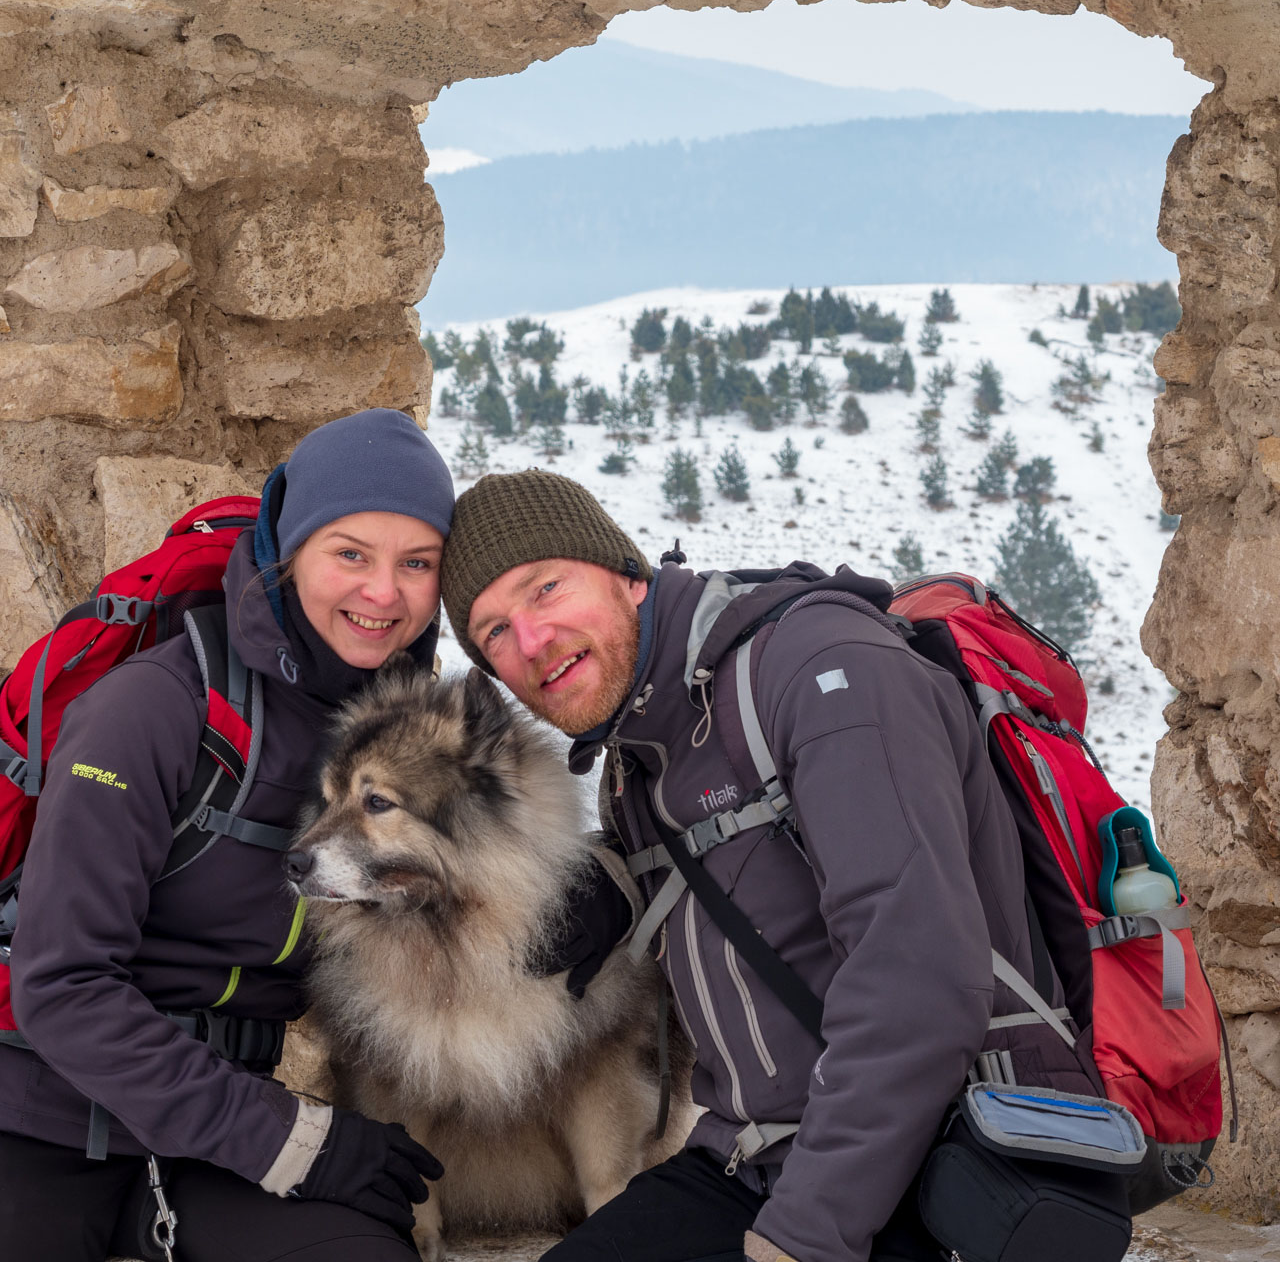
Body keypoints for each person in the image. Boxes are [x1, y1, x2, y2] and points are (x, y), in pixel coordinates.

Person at [439, 470, 1108, 1262]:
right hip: (753, 1158)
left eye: (544, 588)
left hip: (953, 1161)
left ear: (625, 571)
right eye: (494, 633)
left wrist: (802, 1237)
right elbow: (721, 861)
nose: (533, 641)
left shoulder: (827, 674)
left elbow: (919, 987)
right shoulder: (639, 750)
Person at [0, 408, 453, 1262]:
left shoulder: (405, 733)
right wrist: (300, 1141)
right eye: (350, 553)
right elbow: (59, 984)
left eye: (416, 563)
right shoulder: (154, 709)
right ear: (290, 550)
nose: (383, 593)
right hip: (34, 1119)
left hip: (208, 1142)